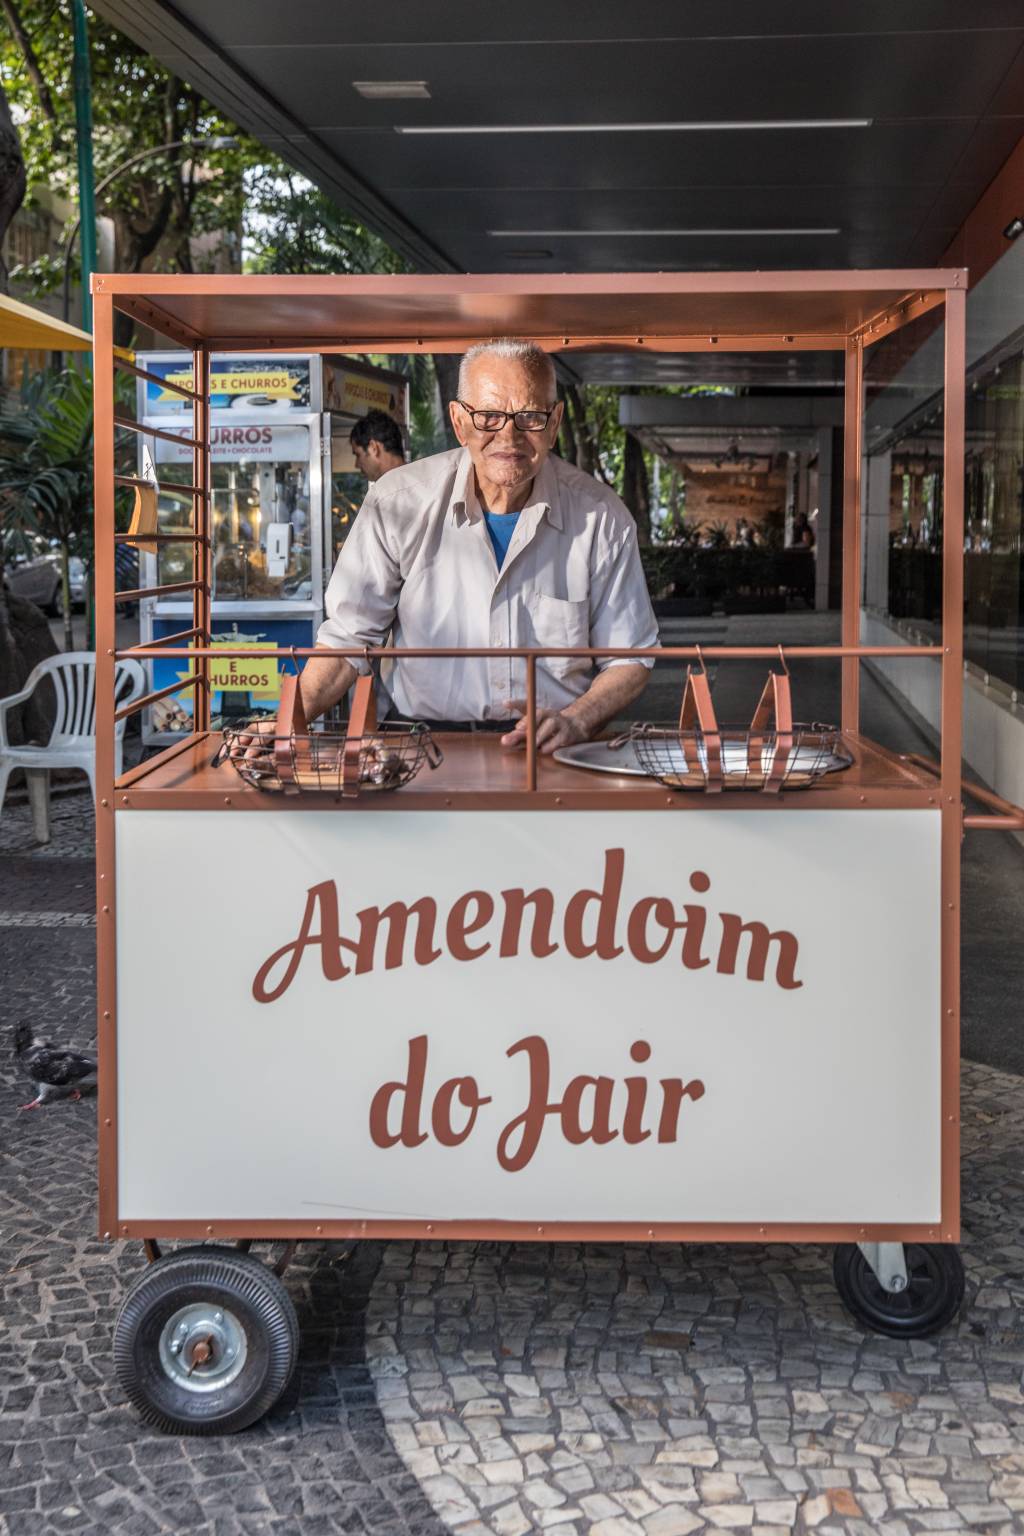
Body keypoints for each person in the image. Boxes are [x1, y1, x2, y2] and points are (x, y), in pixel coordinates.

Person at [264, 338, 658, 755]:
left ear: (555, 421)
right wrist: (283, 723)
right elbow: (348, 641)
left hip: (549, 751)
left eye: (529, 416)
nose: (509, 436)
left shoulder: (601, 518)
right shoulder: (397, 503)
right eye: (488, 416)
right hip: (420, 747)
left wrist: (578, 719)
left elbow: (630, 656)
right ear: (459, 421)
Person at [349, 409, 405, 482]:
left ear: (373, 448)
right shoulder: (417, 480)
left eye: (358, 455)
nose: (356, 465)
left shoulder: (387, 488)